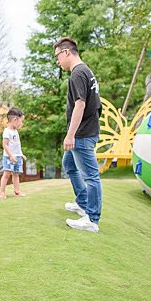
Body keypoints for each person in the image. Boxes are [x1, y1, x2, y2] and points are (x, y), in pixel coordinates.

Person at [55, 37, 103, 233]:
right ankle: (82, 203)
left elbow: (80, 104)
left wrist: (70, 135)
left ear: (66, 52)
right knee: (69, 165)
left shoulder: (77, 74)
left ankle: (91, 219)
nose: (57, 61)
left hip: (81, 134)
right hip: (87, 130)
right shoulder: (86, 71)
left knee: (91, 176)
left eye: (58, 56)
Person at [0, 107, 26, 199]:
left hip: (17, 156)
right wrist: (11, 156)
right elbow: (5, 145)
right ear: (15, 119)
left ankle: (17, 191)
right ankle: (2, 192)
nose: (21, 124)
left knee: (16, 174)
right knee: (6, 174)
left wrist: (20, 154)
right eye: (21, 121)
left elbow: (17, 144)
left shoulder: (15, 131)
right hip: (8, 157)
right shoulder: (7, 131)